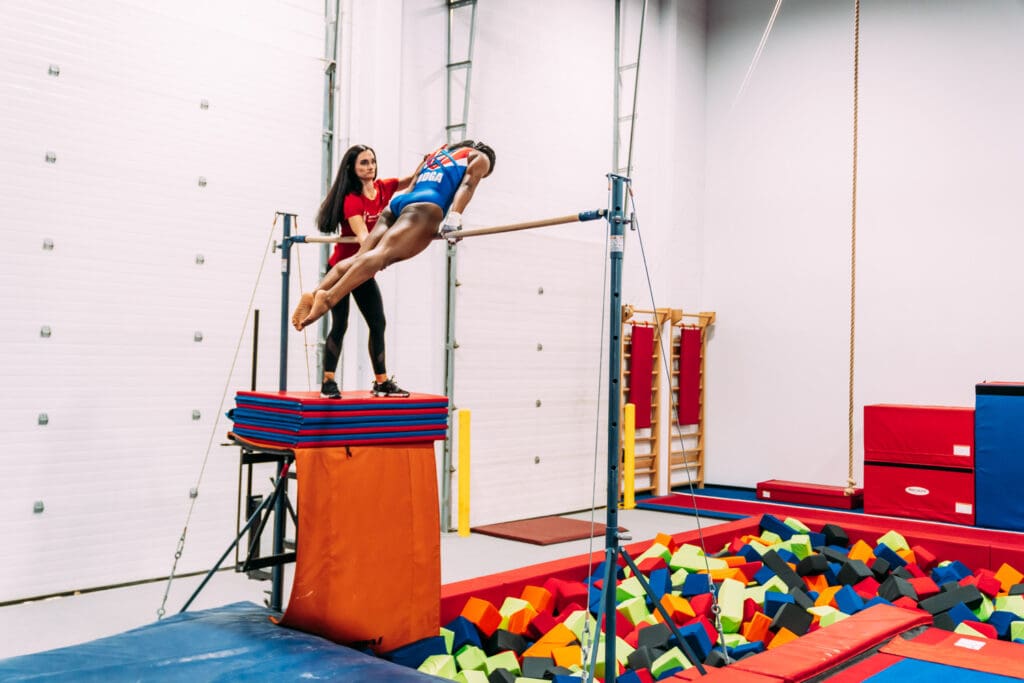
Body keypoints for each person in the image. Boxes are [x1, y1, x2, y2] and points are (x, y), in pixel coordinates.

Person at [292, 139, 496, 334]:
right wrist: (454, 219)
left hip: (400, 203)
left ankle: (316, 291)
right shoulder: (480, 157)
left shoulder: (438, 153)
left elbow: (413, 184)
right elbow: (468, 184)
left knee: (360, 258)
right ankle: (328, 298)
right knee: (382, 255)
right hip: (427, 206)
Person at [313, 144, 413, 399]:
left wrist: (432, 161)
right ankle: (328, 381)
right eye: (364, 163)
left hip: (364, 268)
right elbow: (364, 238)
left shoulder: (382, 188)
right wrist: (390, 247)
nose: (370, 167)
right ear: (353, 169)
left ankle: (381, 382)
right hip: (343, 268)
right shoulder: (351, 200)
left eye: (372, 162)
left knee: (378, 322)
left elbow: (411, 180)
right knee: (340, 323)